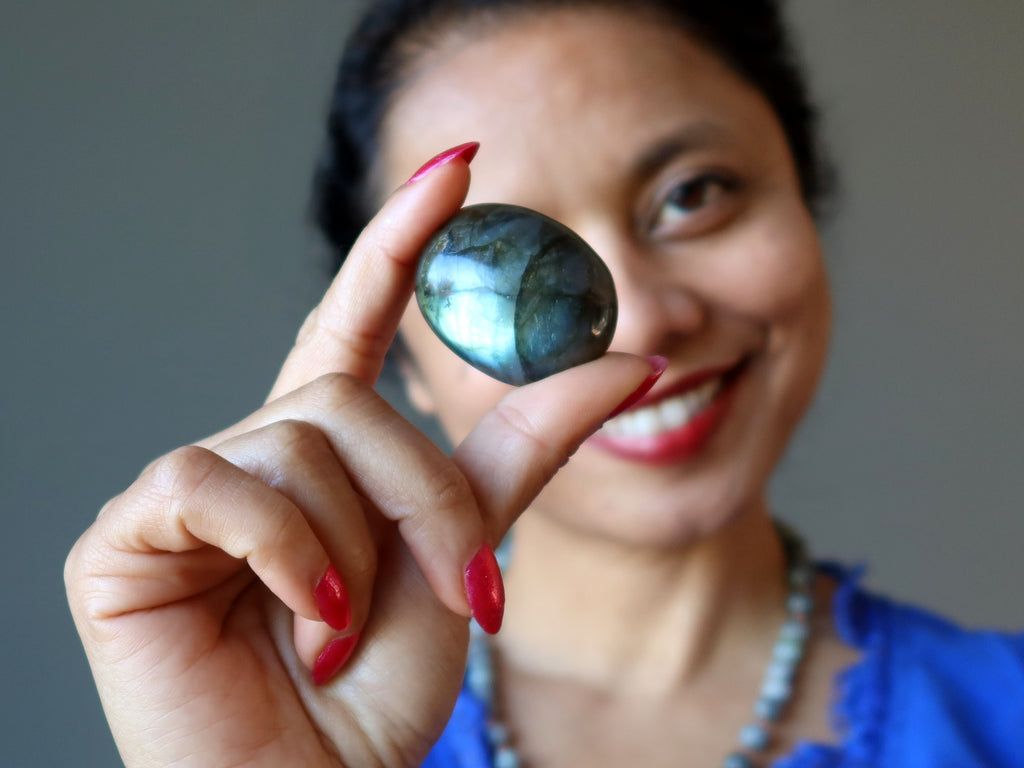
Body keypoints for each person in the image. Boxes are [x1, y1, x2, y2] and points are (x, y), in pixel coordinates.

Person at [65, 1, 1024, 766]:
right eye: (491, 262)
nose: (637, 318)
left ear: (804, 204)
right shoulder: (302, 718)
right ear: (405, 356)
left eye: (693, 194)